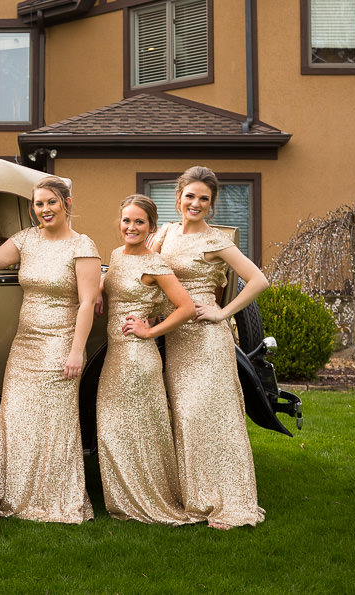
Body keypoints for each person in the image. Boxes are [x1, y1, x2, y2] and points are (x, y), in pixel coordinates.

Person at [0, 176, 101, 524]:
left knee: (53, 421)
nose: (44, 209)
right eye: (38, 204)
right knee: (17, 415)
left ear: (67, 204)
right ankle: (13, 493)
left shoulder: (82, 246)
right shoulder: (25, 240)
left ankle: (54, 497)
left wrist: (76, 351)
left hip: (60, 342)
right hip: (25, 342)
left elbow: (86, 304)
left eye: (51, 202)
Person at [150, 166, 270, 529]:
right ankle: (195, 496)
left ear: (212, 204)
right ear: (179, 197)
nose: (196, 203)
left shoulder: (216, 240)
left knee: (208, 415)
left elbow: (259, 280)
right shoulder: (165, 234)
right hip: (175, 335)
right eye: (190, 196)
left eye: (204, 199)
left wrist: (223, 313)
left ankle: (226, 498)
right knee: (184, 415)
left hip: (205, 338)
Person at [95, 195, 196, 524]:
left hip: (137, 359)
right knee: (114, 431)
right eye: (126, 220)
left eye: (139, 222)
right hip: (116, 356)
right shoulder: (115, 255)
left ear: (151, 227)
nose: (131, 227)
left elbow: (186, 307)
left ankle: (147, 500)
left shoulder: (155, 263)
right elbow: (113, 281)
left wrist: (150, 332)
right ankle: (124, 500)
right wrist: (98, 289)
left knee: (138, 432)